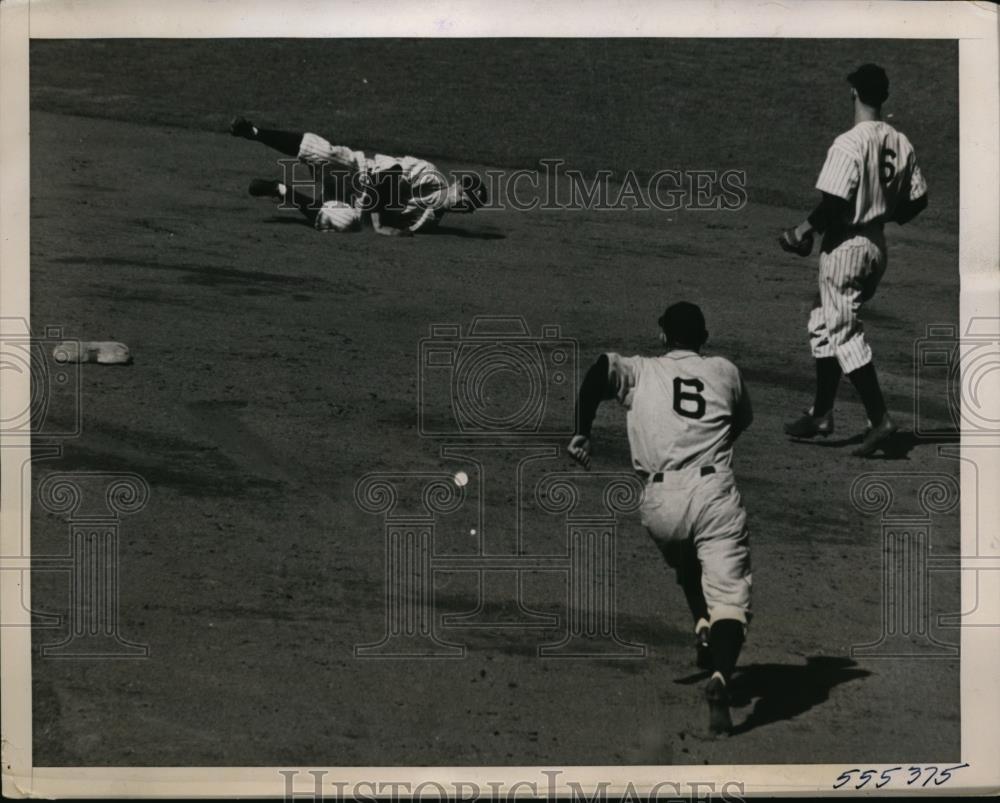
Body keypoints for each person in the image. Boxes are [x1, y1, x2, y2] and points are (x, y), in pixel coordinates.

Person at [567, 302, 753, 735]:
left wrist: (582, 430)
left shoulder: (641, 369)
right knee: (729, 596)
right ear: (705, 339)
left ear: (661, 337)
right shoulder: (725, 371)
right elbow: (739, 422)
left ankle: (701, 624)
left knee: (687, 557)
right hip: (713, 493)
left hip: (659, 502)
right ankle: (722, 674)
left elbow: (599, 370)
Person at [778, 63, 928, 457]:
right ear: (884, 97)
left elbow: (834, 202)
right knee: (822, 319)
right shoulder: (901, 141)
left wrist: (802, 230)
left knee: (844, 332)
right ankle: (822, 413)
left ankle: (879, 420)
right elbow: (919, 200)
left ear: (853, 93)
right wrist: (882, 213)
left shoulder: (848, 143)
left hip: (846, 248)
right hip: (877, 246)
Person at [229, 117, 487, 235]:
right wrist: (378, 223)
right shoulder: (429, 175)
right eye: (463, 194)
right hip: (360, 172)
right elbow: (386, 177)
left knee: (343, 222)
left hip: (361, 205)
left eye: (466, 205)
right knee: (323, 152)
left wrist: (371, 221)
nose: (461, 202)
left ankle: (280, 190)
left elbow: (393, 226)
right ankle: (254, 132)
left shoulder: (428, 221)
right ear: (457, 184)